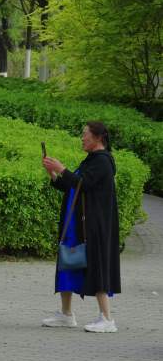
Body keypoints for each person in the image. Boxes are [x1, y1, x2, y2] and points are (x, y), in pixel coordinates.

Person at [41, 121, 121, 333]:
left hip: (93, 226)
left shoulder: (103, 162)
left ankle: (107, 318)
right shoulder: (91, 160)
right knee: (67, 262)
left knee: (96, 266)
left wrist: (62, 168)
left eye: (85, 134)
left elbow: (84, 184)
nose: (82, 138)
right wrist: (54, 174)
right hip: (76, 224)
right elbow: (73, 185)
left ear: (98, 138)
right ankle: (66, 314)